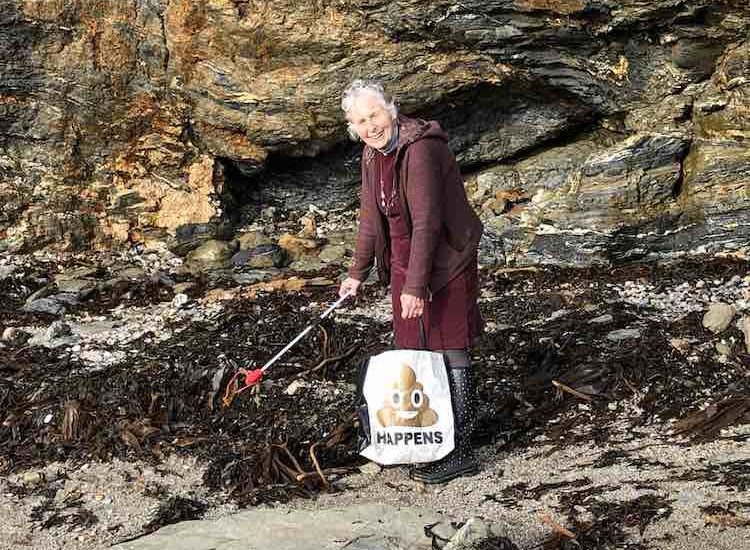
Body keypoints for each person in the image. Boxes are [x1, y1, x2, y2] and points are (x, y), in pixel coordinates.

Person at [338, 79, 484, 484]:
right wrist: (356, 275)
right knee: (415, 348)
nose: (370, 126)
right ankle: (432, 436)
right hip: (405, 257)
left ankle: (461, 449)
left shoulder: (420, 149)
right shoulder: (371, 154)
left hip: (446, 254)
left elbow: (427, 222)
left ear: (391, 110)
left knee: (449, 345)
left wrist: (416, 288)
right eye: (360, 121)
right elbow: (370, 220)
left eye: (374, 115)